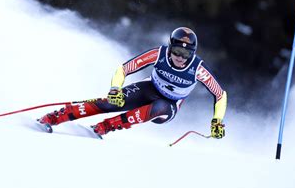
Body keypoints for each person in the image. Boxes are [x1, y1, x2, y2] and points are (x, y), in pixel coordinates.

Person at [38, 27, 227, 138]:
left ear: (192, 54)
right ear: (170, 48)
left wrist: (217, 120)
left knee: (159, 106)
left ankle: (105, 127)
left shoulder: (198, 69)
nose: (180, 57)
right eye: (177, 51)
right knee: (111, 102)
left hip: (170, 105)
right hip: (149, 88)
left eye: (186, 54)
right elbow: (124, 69)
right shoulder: (158, 54)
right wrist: (115, 89)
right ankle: (55, 117)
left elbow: (220, 95)